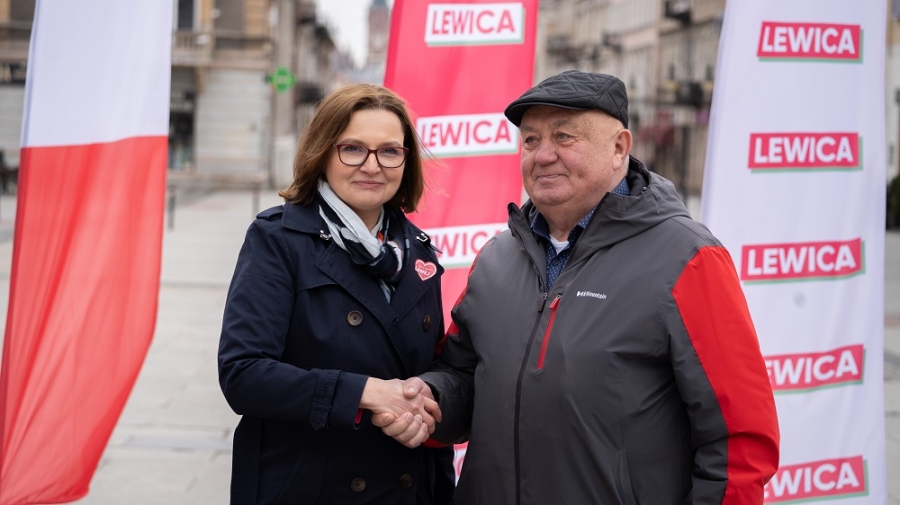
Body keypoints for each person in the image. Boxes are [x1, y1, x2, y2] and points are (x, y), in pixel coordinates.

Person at [375, 70, 780, 504]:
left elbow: (739, 443)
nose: (543, 155)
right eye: (531, 140)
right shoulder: (495, 258)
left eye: (564, 136)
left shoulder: (687, 258)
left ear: (619, 148)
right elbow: (464, 379)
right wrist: (430, 401)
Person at [218, 83, 455, 505]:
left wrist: (424, 399)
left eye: (389, 151)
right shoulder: (278, 240)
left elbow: (438, 365)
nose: (372, 165)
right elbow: (243, 374)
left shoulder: (419, 250)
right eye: (353, 149)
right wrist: (365, 393)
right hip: (308, 487)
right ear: (323, 153)